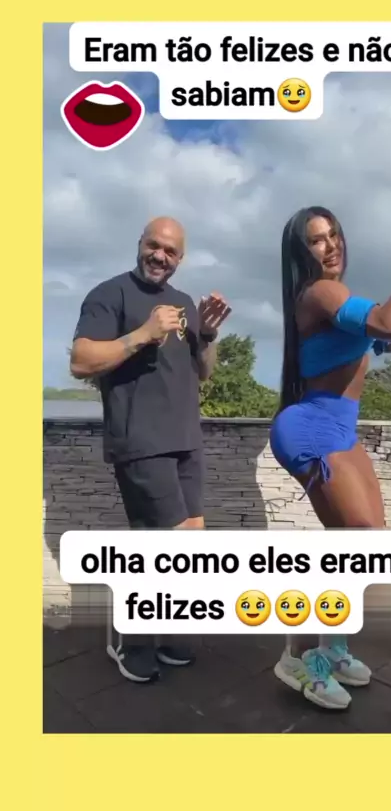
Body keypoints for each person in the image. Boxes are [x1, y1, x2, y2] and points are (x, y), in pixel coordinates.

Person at [269, 207, 391, 710]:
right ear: (302, 253)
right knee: (359, 541)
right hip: (311, 429)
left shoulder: (337, 298)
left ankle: (332, 647)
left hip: (341, 429)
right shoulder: (320, 293)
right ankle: (297, 658)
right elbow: (390, 320)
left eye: (334, 235)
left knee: (363, 548)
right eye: (317, 240)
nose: (331, 245)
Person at [70, 216, 231, 682]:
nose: (160, 256)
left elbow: (203, 371)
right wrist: (141, 334)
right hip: (140, 439)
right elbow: (81, 361)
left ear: (181, 258)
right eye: (154, 246)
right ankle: (130, 641)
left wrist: (208, 336)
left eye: (171, 251)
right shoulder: (110, 294)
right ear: (140, 243)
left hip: (186, 439)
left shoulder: (184, 303)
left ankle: (165, 633)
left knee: (187, 546)